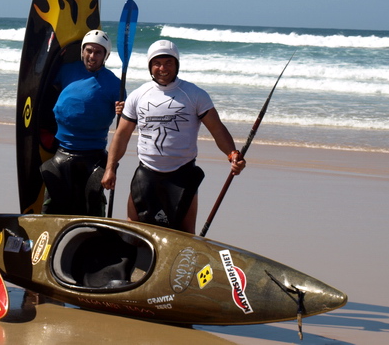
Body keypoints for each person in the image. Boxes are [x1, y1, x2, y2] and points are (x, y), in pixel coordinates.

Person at [101, 39, 246, 233]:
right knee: (134, 230)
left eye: (168, 63)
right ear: (150, 66)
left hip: (182, 175)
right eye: (157, 63)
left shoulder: (194, 95)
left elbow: (217, 129)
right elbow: (121, 135)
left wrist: (232, 154)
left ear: (177, 64)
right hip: (146, 174)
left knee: (185, 234)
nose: (163, 68)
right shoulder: (138, 95)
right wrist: (110, 168)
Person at [40, 29, 123, 216]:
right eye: (89, 50)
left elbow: (126, 122)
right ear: (82, 51)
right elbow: (45, 90)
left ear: (106, 56)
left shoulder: (114, 84)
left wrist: (123, 110)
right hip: (61, 151)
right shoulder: (66, 70)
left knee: (93, 206)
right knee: (51, 205)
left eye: (98, 52)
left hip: (94, 155)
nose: (92, 56)